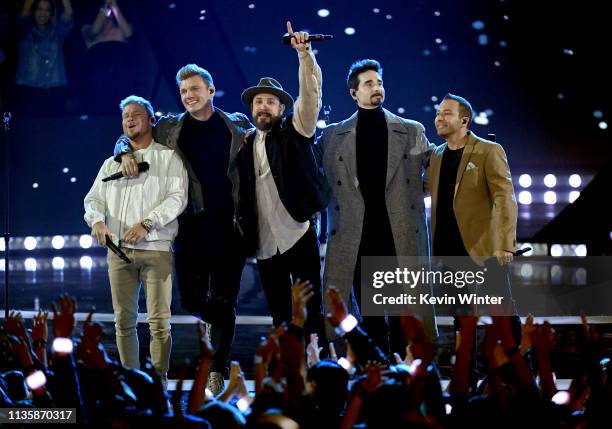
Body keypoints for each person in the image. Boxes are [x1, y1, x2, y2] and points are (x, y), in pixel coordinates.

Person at [114, 64, 252, 395]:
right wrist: (123, 152)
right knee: (191, 299)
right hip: (190, 226)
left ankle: (218, 368)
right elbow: (130, 134)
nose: (189, 95)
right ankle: (217, 322)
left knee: (225, 299)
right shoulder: (169, 129)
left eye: (194, 89)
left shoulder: (237, 125)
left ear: (210, 90)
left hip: (231, 227)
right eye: (183, 91)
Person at [316, 59, 437, 356]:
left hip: (399, 236)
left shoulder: (410, 130)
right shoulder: (333, 136)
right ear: (353, 93)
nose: (377, 88)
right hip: (356, 239)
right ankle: (375, 376)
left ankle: (401, 376)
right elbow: (308, 170)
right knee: (369, 315)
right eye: (369, 83)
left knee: (402, 315)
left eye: (379, 82)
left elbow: (435, 171)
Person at [84, 95, 188, 387]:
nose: (129, 119)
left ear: (152, 120)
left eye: (137, 114)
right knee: (124, 322)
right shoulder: (110, 164)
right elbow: (92, 200)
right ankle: (131, 382)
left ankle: (159, 382)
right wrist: (98, 221)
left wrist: (147, 223)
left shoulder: (168, 158)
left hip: (156, 250)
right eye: (125, 115)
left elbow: (178, 198)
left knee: (159, 322)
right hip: (119, 252)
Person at [237, 22, 330, 345]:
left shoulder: (297, 130)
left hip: (297, 231)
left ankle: (316, 363)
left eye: (270, 102)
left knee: (310, 307)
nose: (263, 106)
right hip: (264, 241)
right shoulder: (245, 143)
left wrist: (305, 55)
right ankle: (287, 369)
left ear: (281, 108)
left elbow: (311, 95)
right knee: (279, 312)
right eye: (258, 101)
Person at [15, 0, 73, 114]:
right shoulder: (24, 31)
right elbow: (24, 12)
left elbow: (68, 13)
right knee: (26, 128)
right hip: (29, 90)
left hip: (55, 90)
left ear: (51, 13)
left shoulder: (58, 32)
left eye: (47, 10)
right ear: (33, 11)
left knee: (54, 128)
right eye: (39, 9)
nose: (43, 13)